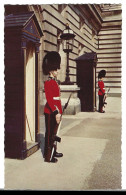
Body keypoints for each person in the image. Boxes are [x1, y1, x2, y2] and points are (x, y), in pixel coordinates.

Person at [42, 51, 63, 163]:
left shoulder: (54, 82)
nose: (57, 71)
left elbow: (57, 98)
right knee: (50, 134)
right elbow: (50, 100)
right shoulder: (48, 82)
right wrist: (56, 112)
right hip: (50, 112)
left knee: (55, 133)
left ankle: (54, 151)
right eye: (55, 70)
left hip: (56, 110)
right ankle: (48, 156)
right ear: (50, 70)